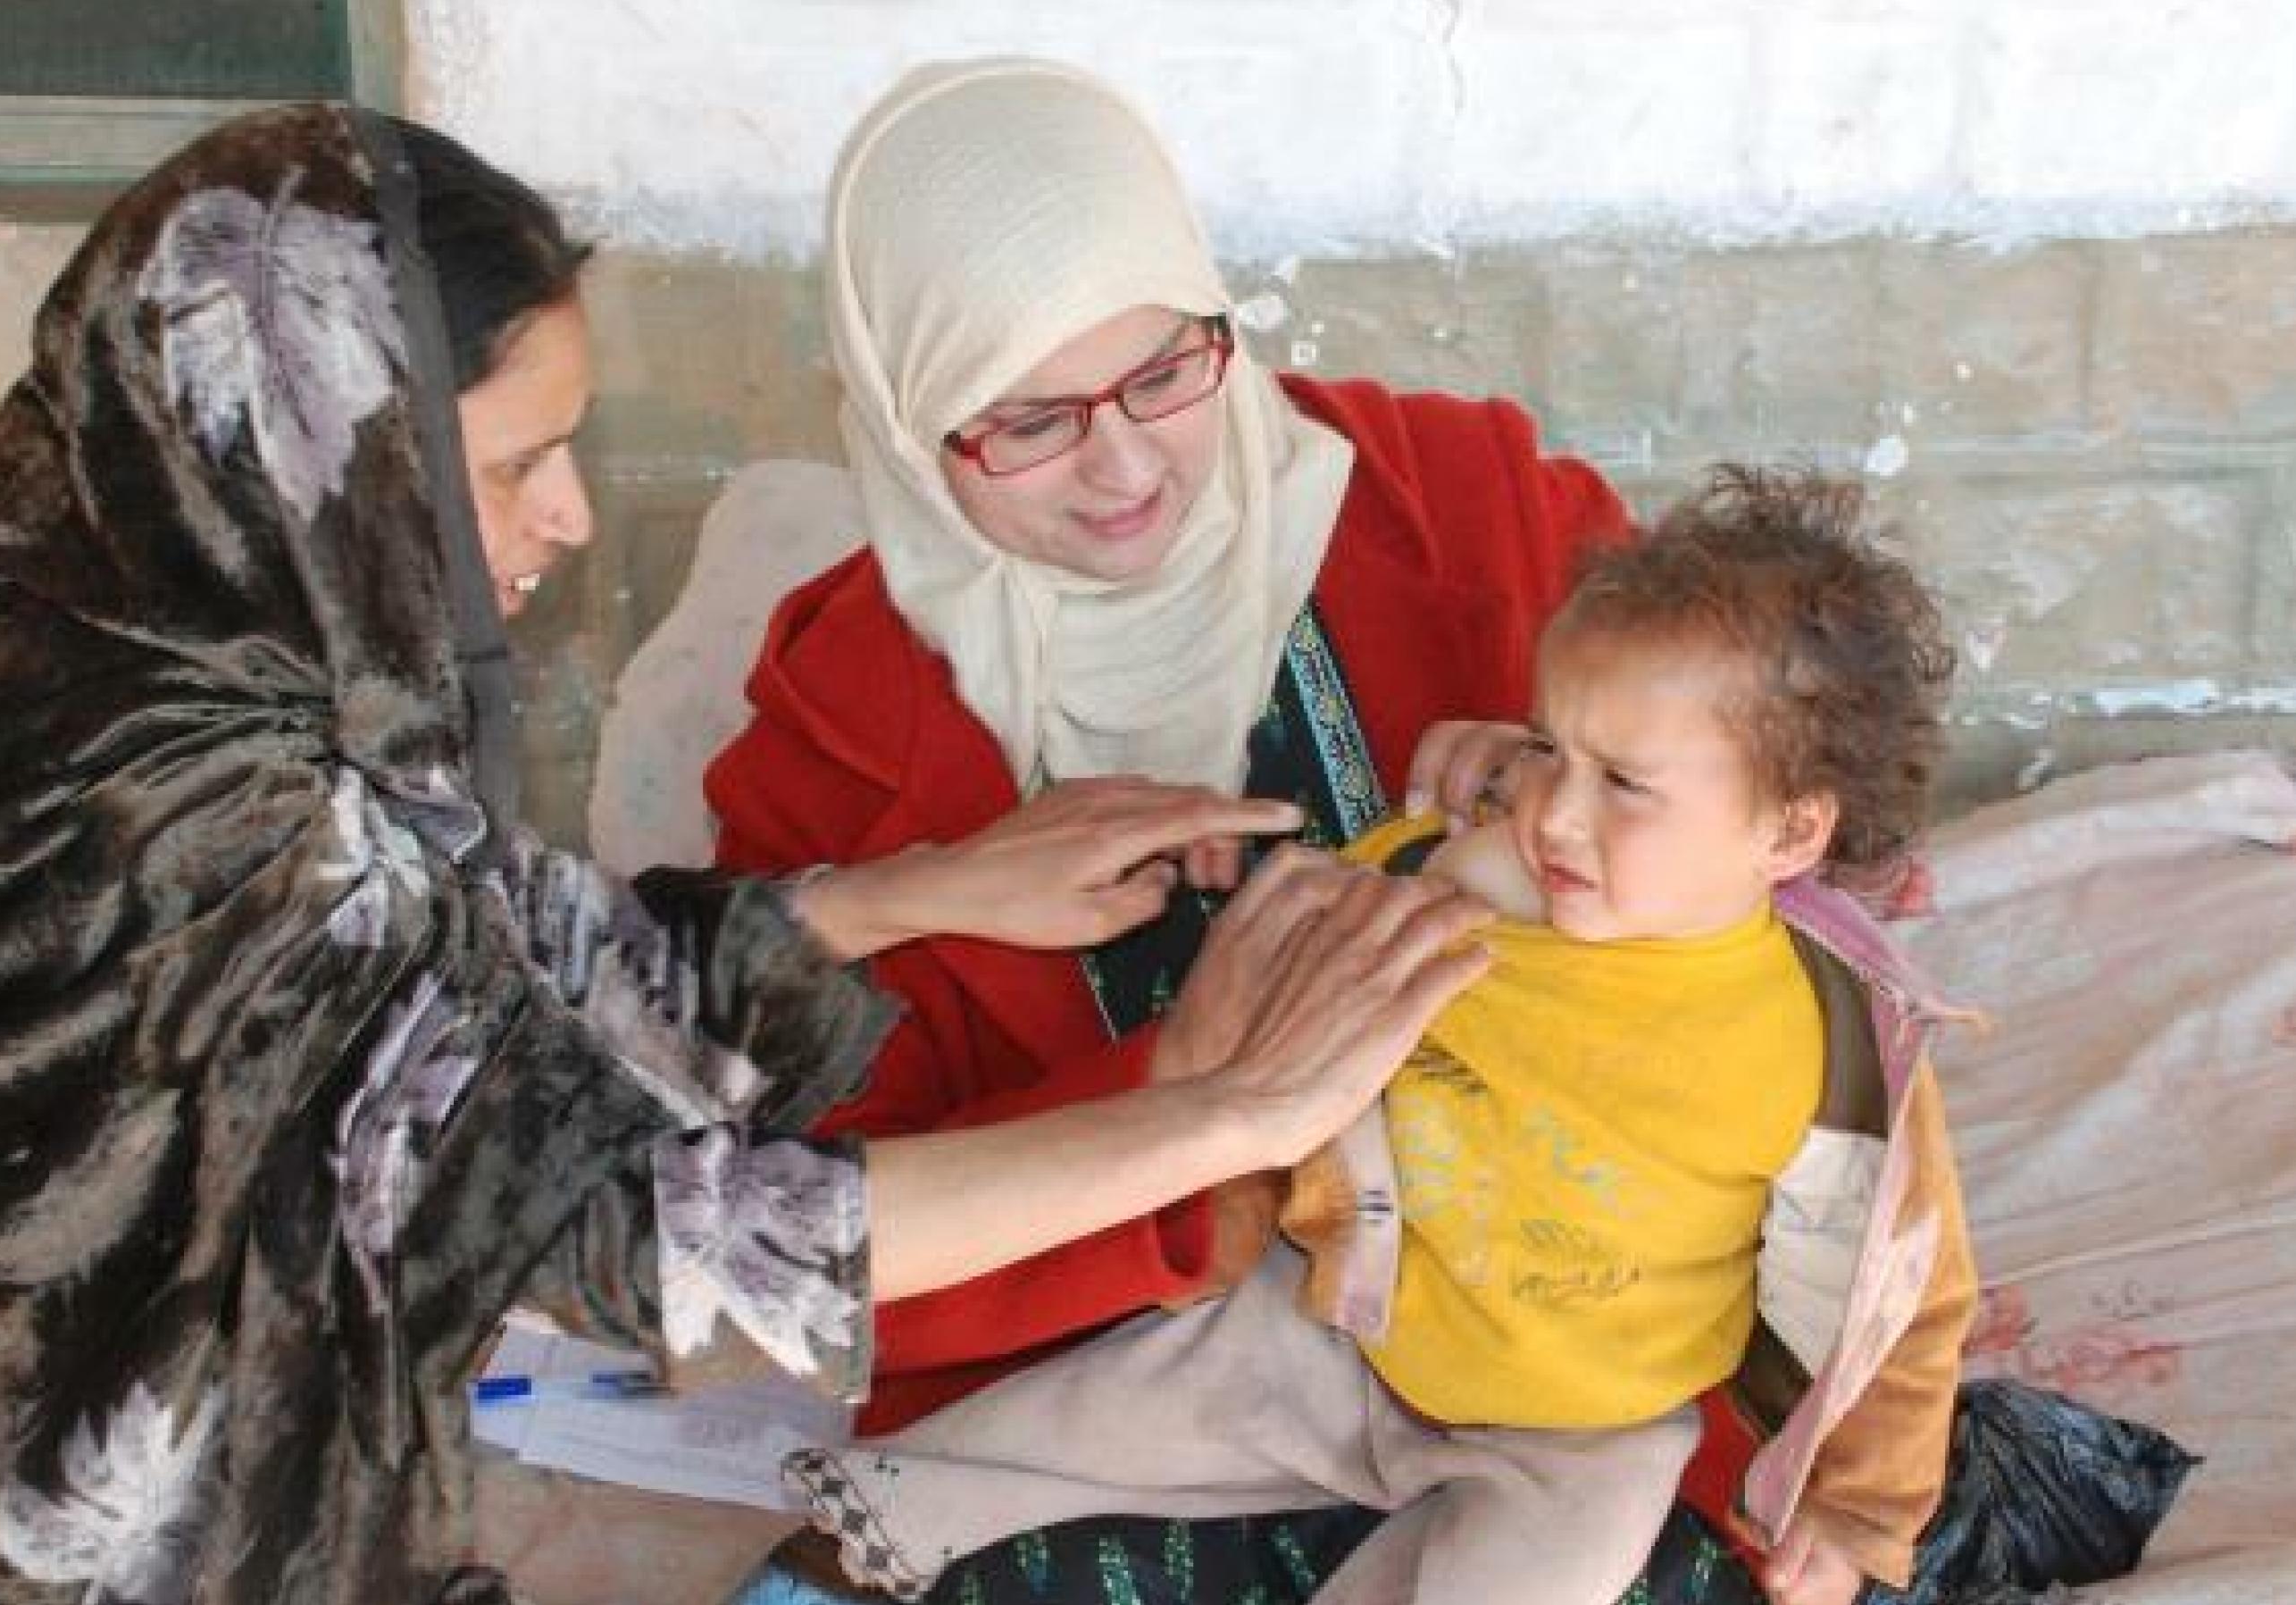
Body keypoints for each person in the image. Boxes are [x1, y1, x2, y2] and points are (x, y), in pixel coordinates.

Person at [0, 104, 1492, 1605]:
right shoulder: (142, 798)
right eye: (514, 463)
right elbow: (635, 1231)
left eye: (1161, 370)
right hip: (65, 1518)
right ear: (319, 451)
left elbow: (461, 970)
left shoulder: (55, 593)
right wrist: (1222, 1115)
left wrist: (903, 893)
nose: (569, 520)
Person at [699, 55, 1716, 1603]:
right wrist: (1187, 1095)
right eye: (1026, 422)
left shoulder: (1471, 505)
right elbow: (835, 1246)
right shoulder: (828, 744)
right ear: (909, 424)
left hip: (1551, 1328)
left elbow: (1794, 818)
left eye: (1168, 372)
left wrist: (1581, 778)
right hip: (1125, 1388)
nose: (1123, 464)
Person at [775, 468, 1978, 1605]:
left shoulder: (1825, 1048)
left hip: (1583, 1430)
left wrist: (1860, 1514)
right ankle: (818, 1572)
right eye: (1550, 747)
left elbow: (1905, 1295)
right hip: (1341, 1333)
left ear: (1789, 829)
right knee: (1049, 1432)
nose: (1554, 807)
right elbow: (1294, 1011)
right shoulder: (1468, 885)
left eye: (1625, 782)